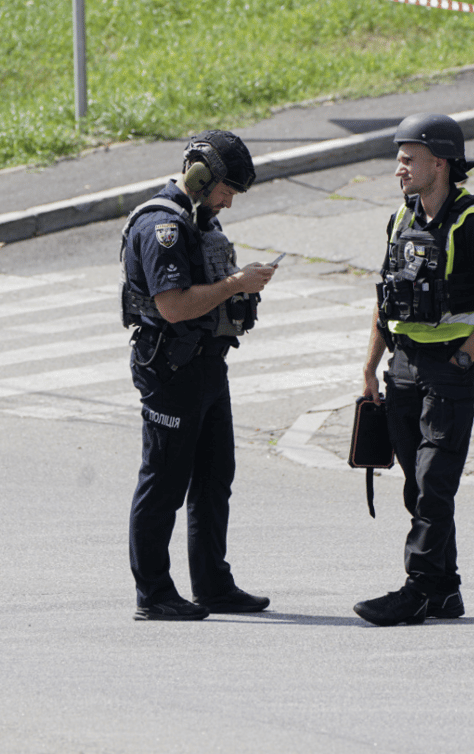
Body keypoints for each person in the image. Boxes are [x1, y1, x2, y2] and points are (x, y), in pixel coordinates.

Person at [355, 113, 474, 627]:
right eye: (399, 159)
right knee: (414, 484)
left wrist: (464, 358)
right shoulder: (401, 219)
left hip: (449, 367)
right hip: (402, 366)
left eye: (409, 159)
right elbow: (385, 298)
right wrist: (370, 368)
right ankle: (446, 589)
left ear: (440, 163)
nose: (399, 168)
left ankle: (418, 589)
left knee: (433, 481)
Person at [121, 130, 278, 621]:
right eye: (226, 189)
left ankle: (212, 585)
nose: (229, 202)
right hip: (170, 367)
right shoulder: (162, 227)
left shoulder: (198, 220)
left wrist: (239, 293)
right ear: (199, 176)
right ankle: (154, 593)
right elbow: (173, 307)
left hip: (207, 365)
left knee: (214, 479)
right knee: (164, 482)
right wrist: (237, 282)